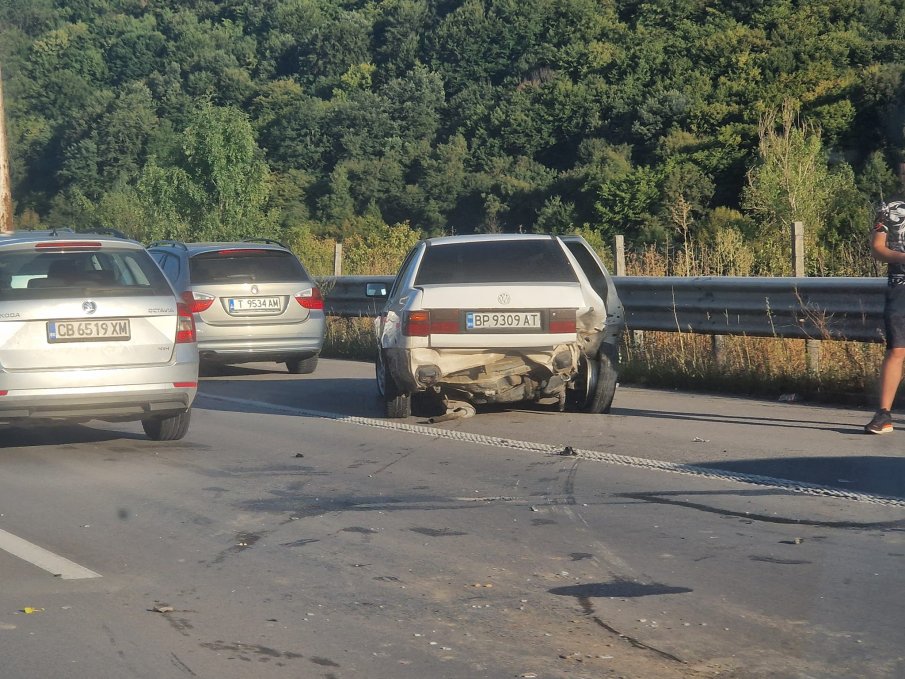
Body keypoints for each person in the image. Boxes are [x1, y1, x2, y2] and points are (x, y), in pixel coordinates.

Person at [865, 199, 905, 433]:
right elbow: (877, 249)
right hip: (901, 287)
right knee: (897, 350)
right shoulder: (890, 210)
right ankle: (884, 414)